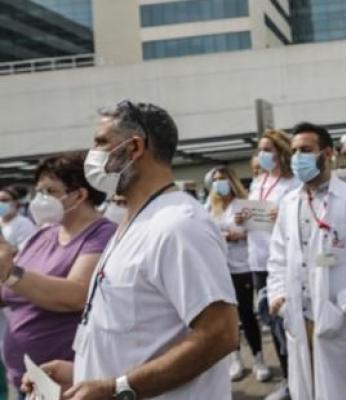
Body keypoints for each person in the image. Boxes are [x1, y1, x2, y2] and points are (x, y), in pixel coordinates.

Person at [21, 100, 239, 399]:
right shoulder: (134, 221)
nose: (92, 155)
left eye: (100, 143)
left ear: (134, 148)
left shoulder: (179, 226)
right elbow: (142, 335)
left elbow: (220, 334)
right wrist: (79, 373)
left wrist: (119, 388)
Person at [267, 121, 346, 400]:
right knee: (305, 390)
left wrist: (343, 308)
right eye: (294, 151)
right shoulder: (289, 202)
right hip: (297, 315)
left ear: (328, 153)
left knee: (344, 391)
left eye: (305, 150)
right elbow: (278, 256)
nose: (297, 158)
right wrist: (279, 296)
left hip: (336, 317)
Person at [0, 153, 116, 396]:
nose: (39, 200)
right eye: (38, 191)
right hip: (26, 380)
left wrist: (10, 272)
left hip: (65, 381)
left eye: (49, 191)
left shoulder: (102, 235)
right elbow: (8, 288)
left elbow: (75, 294)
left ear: (80, 194)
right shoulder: (43, 234)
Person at [243, 129, 300, 400]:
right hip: (257, 261)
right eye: (260, 150)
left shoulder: (292, 184)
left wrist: (283, 214)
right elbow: (253, 217)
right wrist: (243, 217)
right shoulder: (258, 182)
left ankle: (301, 378)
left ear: (280, 152)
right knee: (271, 322)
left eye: (268, 149)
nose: (262, 155)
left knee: (288, 321)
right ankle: (289, 381)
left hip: (282, 261)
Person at [207, 165, 271, 383]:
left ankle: (259, 359)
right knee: (228, 317)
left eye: (223, 179)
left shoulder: (242, 205)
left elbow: (252, 232)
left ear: (232, 181)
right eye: (215, 179)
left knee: (246, 313)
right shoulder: (212, 208)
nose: (219, 183)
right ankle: (235, 359)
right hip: (221, 269)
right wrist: (227, 235)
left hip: (243, 267)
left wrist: (233, 234)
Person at [0, 187, 36, 251]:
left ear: (15, 202)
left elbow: (25, 252)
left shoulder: (24, 224)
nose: (0, 204)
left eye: (4, 200)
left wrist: (4, 245)